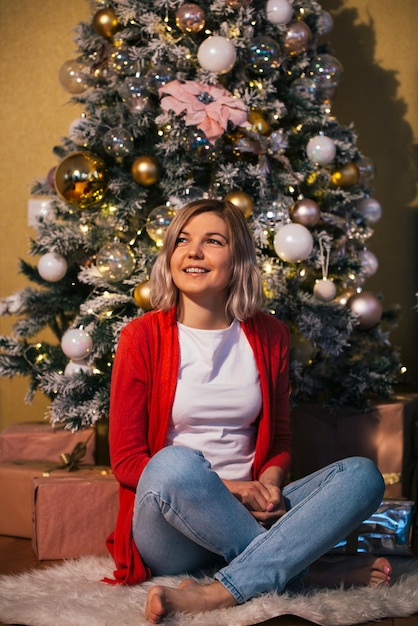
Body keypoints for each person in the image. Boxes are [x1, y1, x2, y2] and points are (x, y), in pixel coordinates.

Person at [105, 198, 392, 624]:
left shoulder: (269, 334)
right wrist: (235, 489)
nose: (193, 251)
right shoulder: (141, 337)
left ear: (237, 259)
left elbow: (278, 440)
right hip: (171, 525)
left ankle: (222, 588)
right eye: (182, 240)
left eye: (212, 241)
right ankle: (306, 570)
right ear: (170, 255)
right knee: (173, 464)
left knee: (362, 475)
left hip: (254, 514)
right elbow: (128, 463)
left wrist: (271, 483)